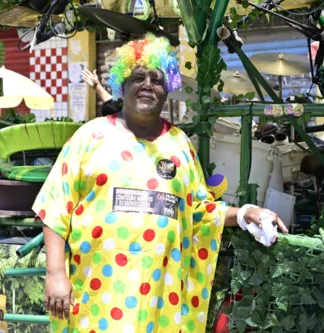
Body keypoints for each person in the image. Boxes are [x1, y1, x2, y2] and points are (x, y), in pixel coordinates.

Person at [33, 33, 287, 333]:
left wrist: (245, 214)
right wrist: (55, 273)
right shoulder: (89, 137)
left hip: (160, 296)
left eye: (157, 79)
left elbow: (200, 211)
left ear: (167, 90)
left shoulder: (179, 145)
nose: (148, 86)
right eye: (138, 77)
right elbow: (55, 206)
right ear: (122, 84)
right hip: (97, 293)